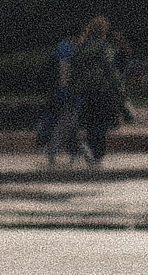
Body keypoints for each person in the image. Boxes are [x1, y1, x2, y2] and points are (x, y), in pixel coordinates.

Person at [74, 16, 127, 168]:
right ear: (103, 31)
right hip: (103, 88)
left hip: (86, 89)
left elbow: (76, 67)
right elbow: (109, 67)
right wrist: (118, 84)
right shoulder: (104, 47)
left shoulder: (82, 46)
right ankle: (97, 154)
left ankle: (90, 148)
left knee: (91, 121)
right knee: (102, 122)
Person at [41, 34, 82, 167]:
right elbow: (64, 75)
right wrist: (65, 95)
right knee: (67, 124)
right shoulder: (66, 50)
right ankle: (52, 150)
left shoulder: (61, 48)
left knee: (71, 126)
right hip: (68, 95)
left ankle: (78, 154)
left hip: (62, 94)